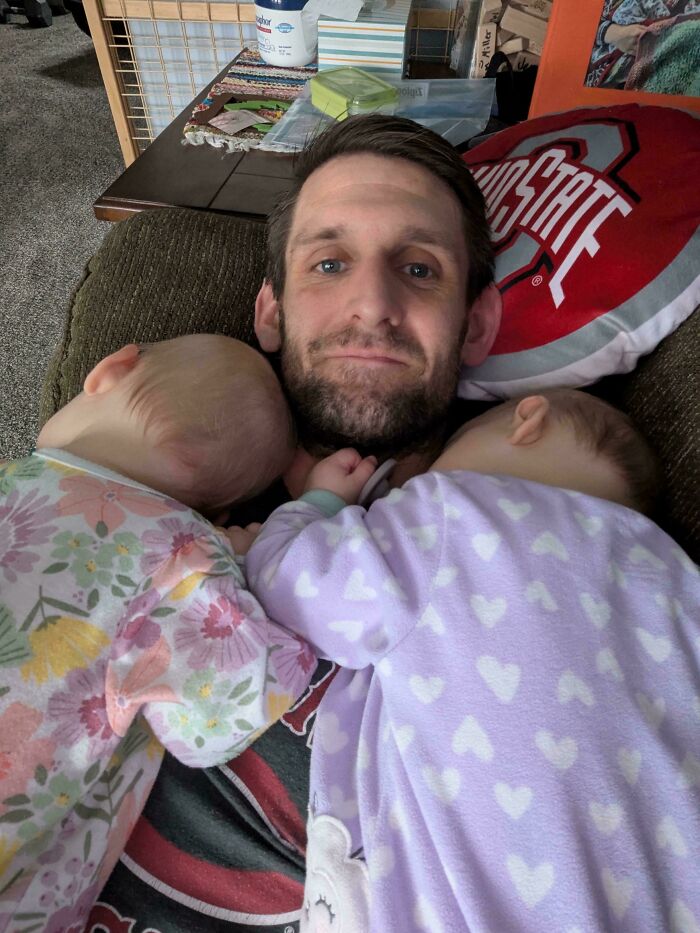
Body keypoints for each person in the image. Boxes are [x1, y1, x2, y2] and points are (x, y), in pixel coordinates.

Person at [90, 114, 504, 932]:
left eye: (419, 268)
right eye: (330, 262)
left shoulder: (504, 563)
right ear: (271, 311)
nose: (373, 304)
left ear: (479, 326)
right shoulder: (133, 493)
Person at [244, 388, 700, 932]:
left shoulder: (453, 510)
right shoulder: (678, 581)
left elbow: (292, 585)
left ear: (527, 420)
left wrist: (316, 508)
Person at [0, 334, 316, 932]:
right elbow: (224, 715)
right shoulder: (181, 559)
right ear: (220, 511)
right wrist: (248, 563)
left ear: (108, 368)